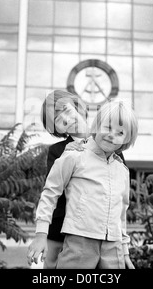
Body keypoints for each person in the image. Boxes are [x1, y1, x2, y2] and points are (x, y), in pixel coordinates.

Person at [27, 99, 138, 269]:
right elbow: (50, 193)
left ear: (127, 139)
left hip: (113, 245)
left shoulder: (121, 169)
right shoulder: (72, 154)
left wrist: (124, 252)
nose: (112, 135)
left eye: (120, 132)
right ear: (97, 125)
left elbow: (121, 212)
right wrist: (41, 234)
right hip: (79, 239)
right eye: (107, 127)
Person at [39, 90, 90, 269]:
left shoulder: (109, 141)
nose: (67, 121)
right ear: (56, 129)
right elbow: (53, 192)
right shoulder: (57, 151)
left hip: (100, 231)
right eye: (58, 121)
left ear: (78, 106)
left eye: (67, 111)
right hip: (61, 231)